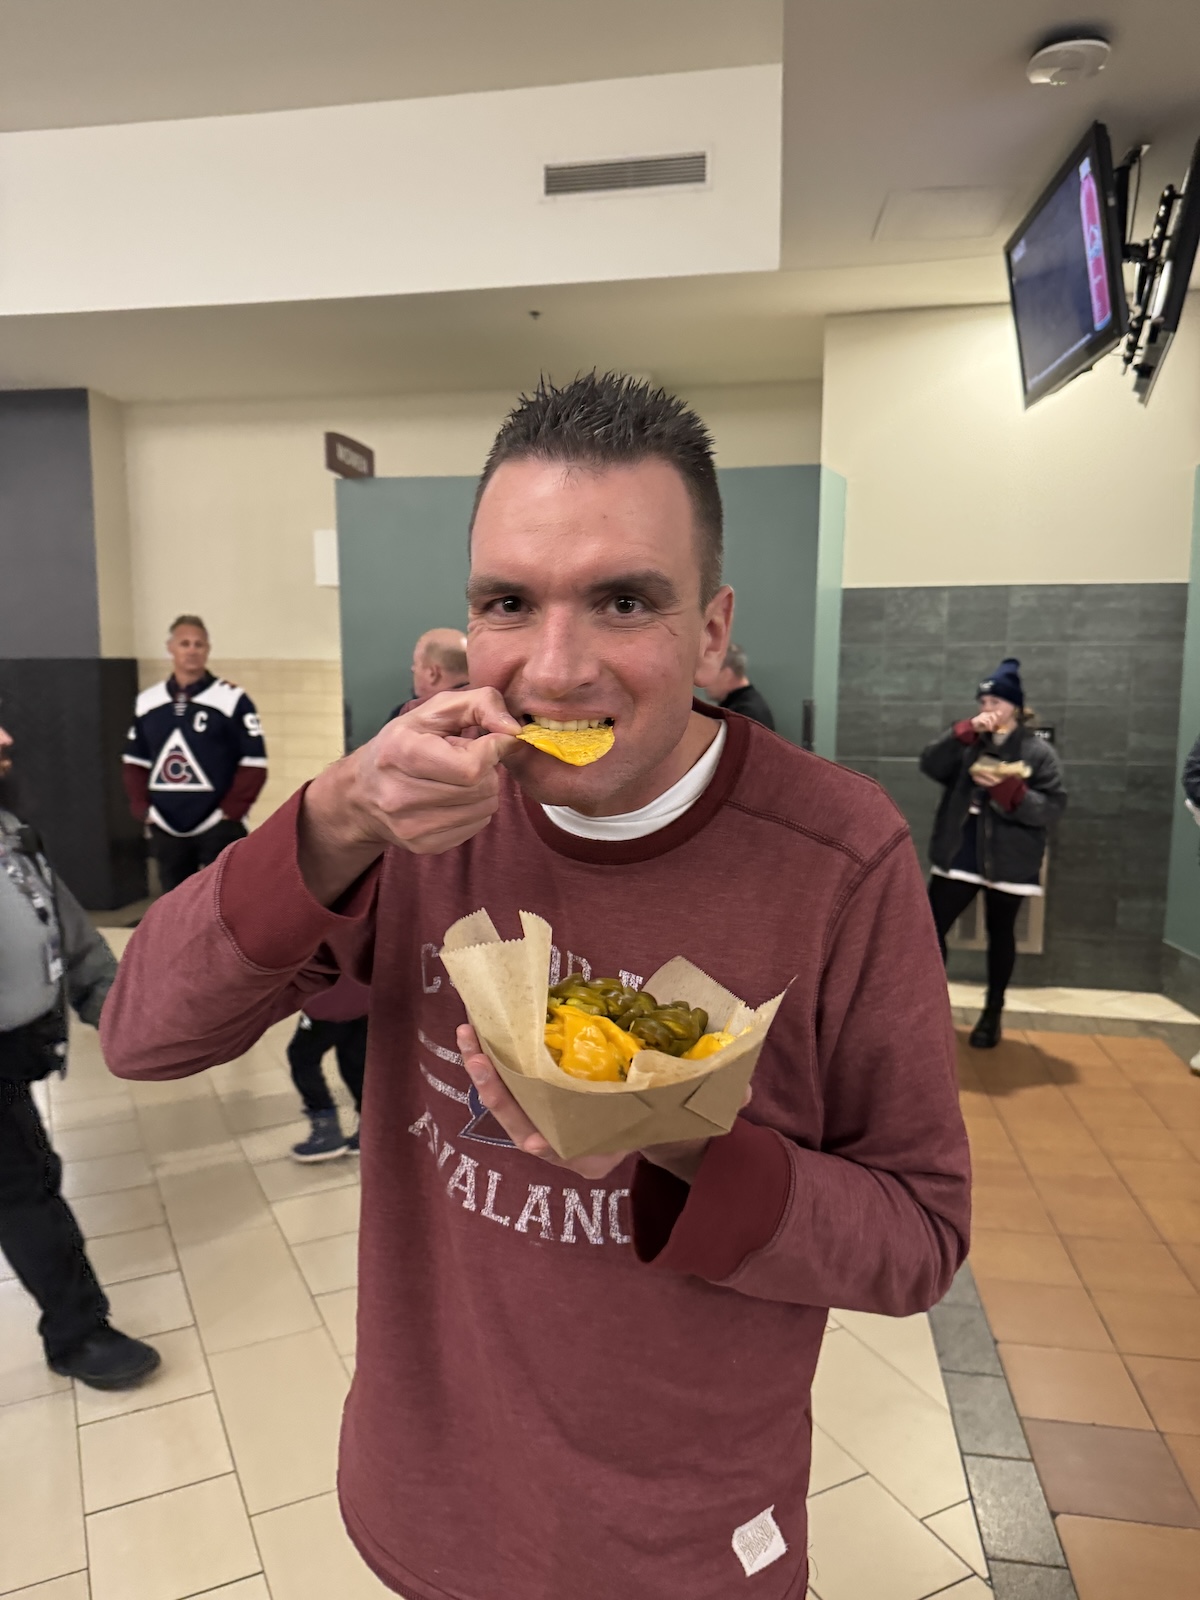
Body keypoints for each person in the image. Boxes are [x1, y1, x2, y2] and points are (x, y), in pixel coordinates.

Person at [102, 374, 970, 1600]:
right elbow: (141, 1034)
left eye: (625, 600)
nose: (555, 670)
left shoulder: (839, 855)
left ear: (713, 632)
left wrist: (678, 1142)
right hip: (430, 1505)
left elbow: (919, 1240)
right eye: (510, 602)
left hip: (683, 1549)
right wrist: (334, 816)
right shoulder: (416, 815)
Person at [0, 717, 161, 1390]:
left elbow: (69, 935)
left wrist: (131, 1018)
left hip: (15, 1055)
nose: (7, 739)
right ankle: (76, 1333)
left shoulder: (13, 834)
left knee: (30, 1181)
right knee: (23, 1192)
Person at [921, 658, 1067, 1050]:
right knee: (929, 930)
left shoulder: (1038, 752)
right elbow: (930, 764)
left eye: (997, 702)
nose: (989, 709)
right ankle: (929, 1011)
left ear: (1015, 707)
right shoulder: (970, 742)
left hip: (1009, 855)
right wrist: (960, 735)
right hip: (959, 849)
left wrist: (1011, 793)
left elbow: (1053, 807)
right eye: (984, 702)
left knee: (1001, 933)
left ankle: (992, 1014)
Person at [122, 615, 269, 892]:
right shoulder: (147, 701)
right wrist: (144, 809)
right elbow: (134, 762)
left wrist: (230, 812)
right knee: (174, 903)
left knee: (226, 900)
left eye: (198, 644)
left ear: (208, 649)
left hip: (218, 825)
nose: (192, 650)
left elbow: (254, 763)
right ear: (170, 648)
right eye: (184, 643)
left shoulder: (233, 699)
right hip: (165, 825)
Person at [287, 974, 369, 1161]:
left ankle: (326, 1130)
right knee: (354, 1061)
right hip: (363, 993)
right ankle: (371, 1129)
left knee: (302, 1057)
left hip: (327, 998)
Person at [388, 628, 469, 720]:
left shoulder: (408, 716)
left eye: (416, 664)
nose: (413, 669)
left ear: (433, 673)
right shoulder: (481, 707)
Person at [696, 640, 775, 729]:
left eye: (709, 672)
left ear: (726, 675)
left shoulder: (745, 715)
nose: (704, 680)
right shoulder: (748, 707)